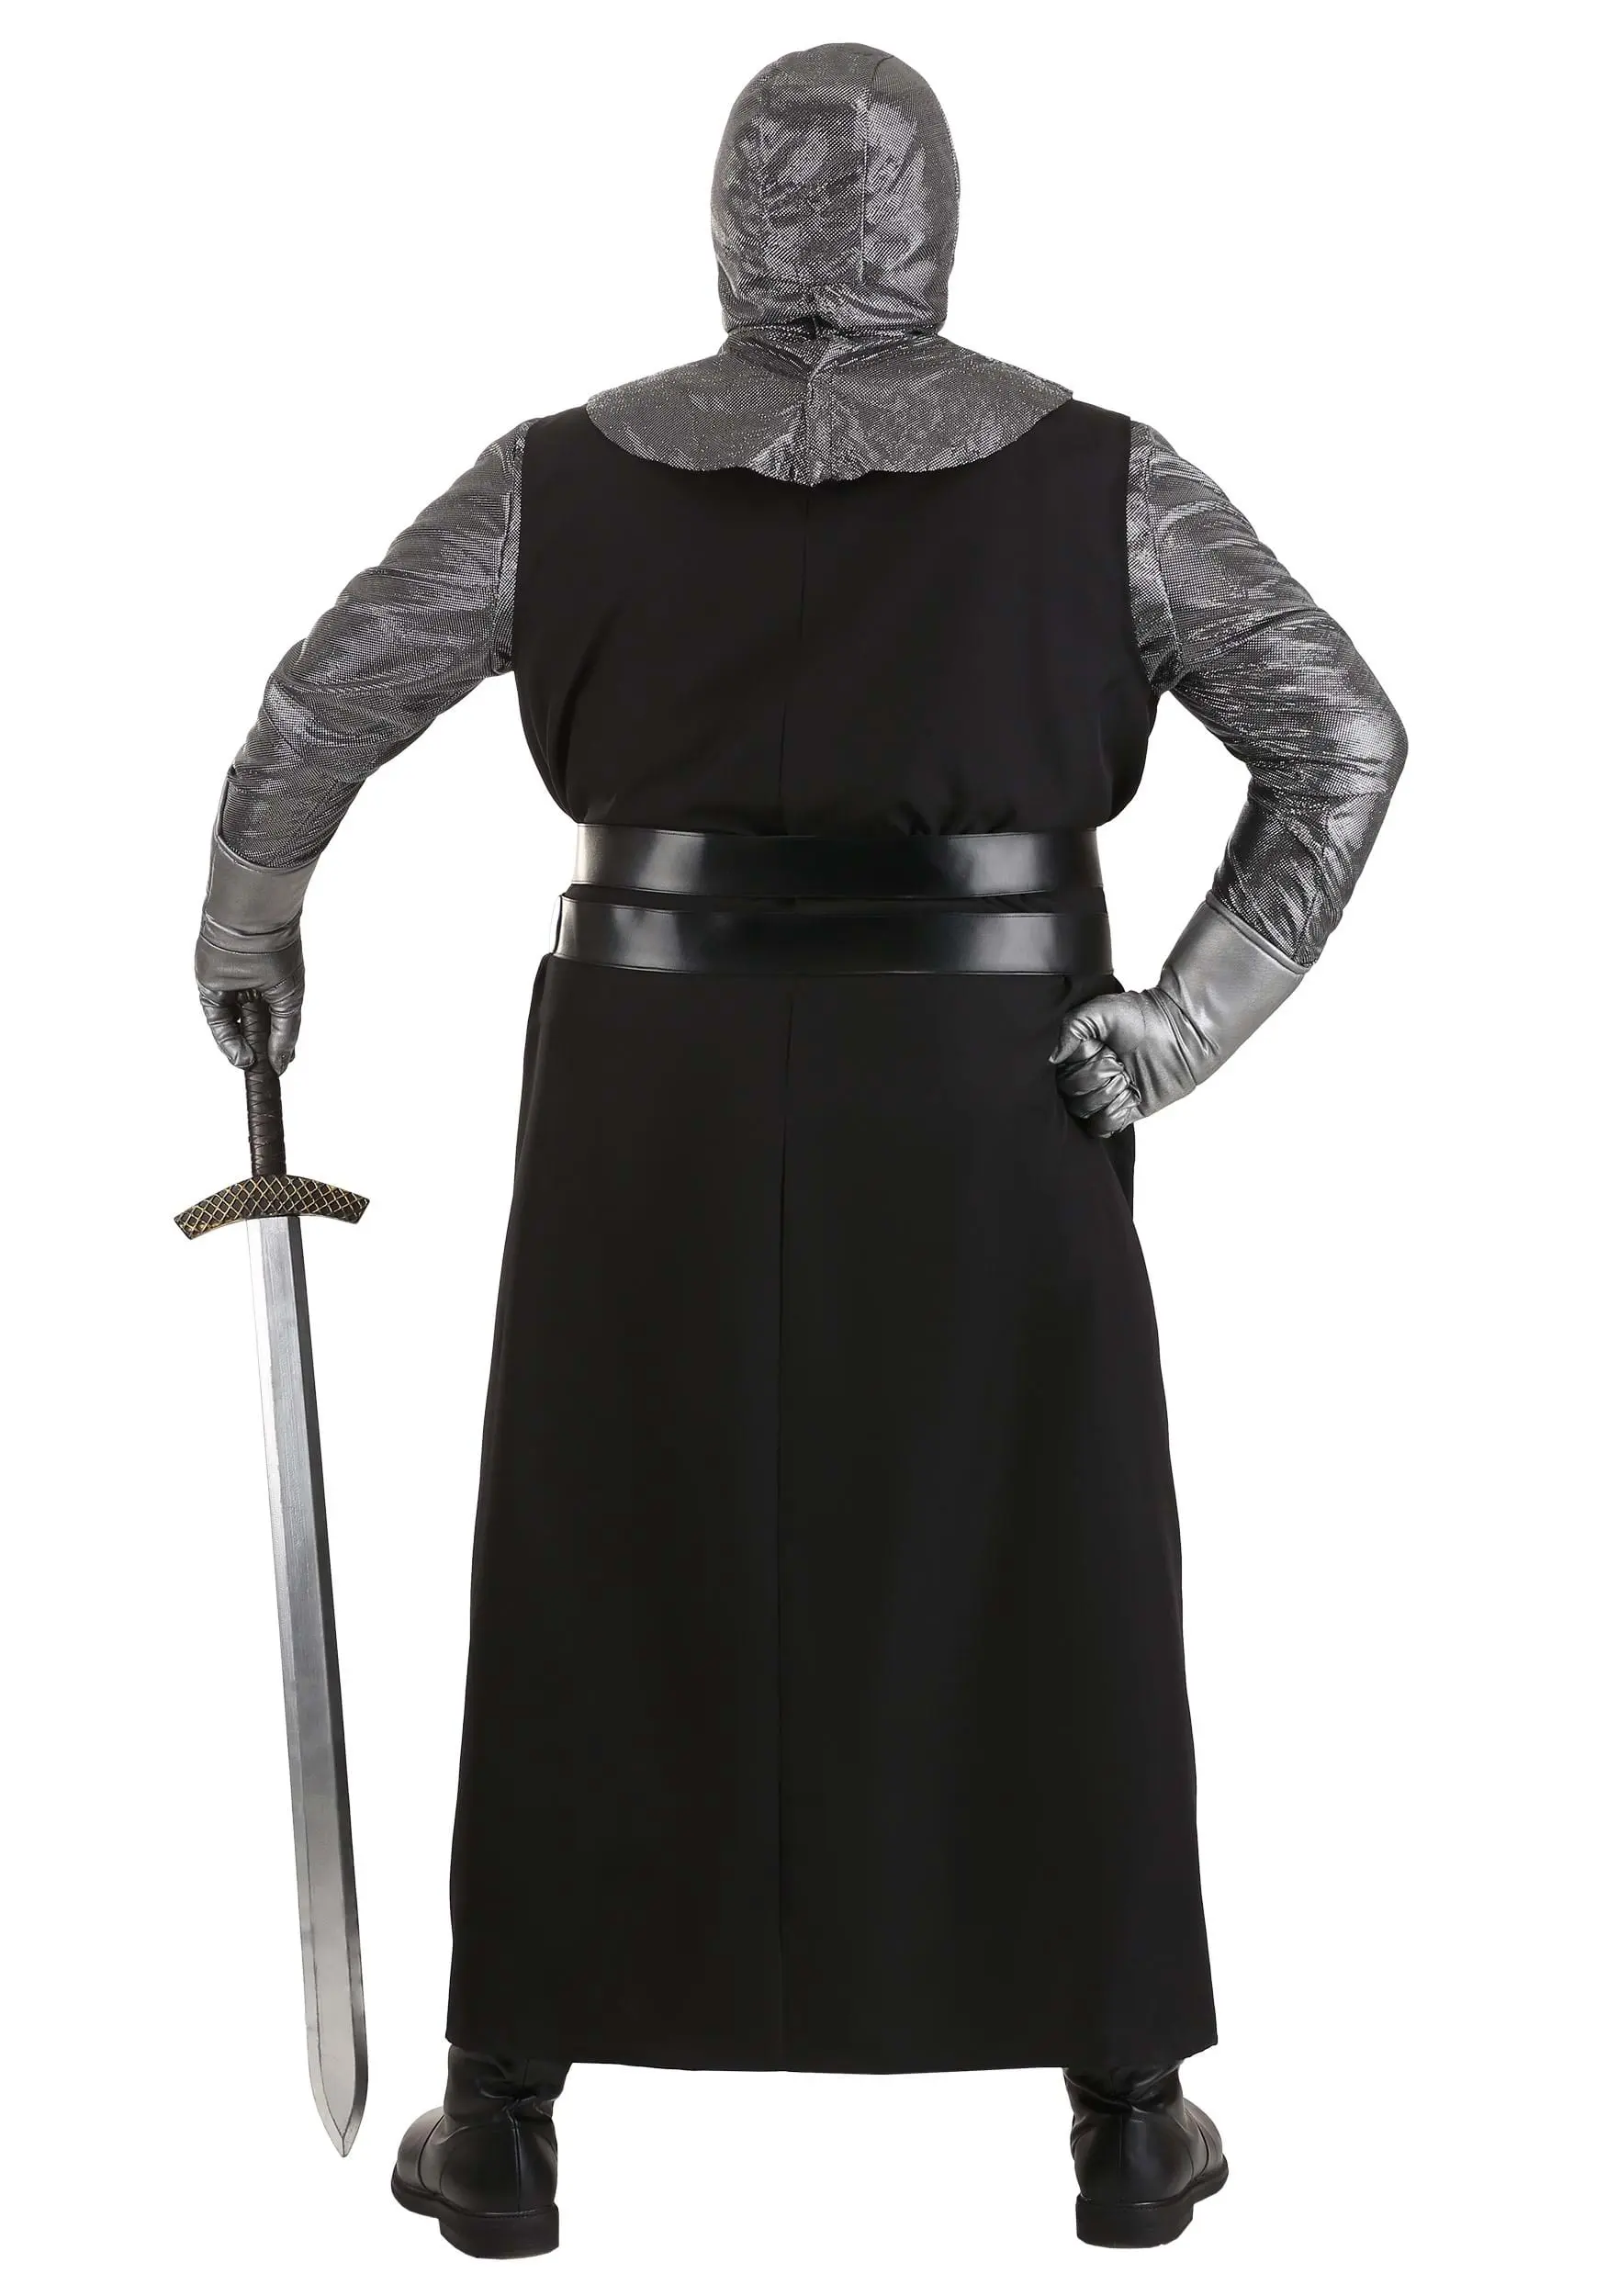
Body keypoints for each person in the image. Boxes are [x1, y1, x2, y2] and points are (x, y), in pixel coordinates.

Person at [195, 42, 1406, 2257]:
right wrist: (1178, 1021)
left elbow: (319, 700)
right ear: (935, 219)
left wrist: (250, 917)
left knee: (605, 1542)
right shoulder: (1108, 487)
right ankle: (1125, 2113)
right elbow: (1339, 733)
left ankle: (505, 2114)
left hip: (651, 1082)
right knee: (1026, 1556)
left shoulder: (560, 481)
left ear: (726, 221)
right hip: (992, 1085)